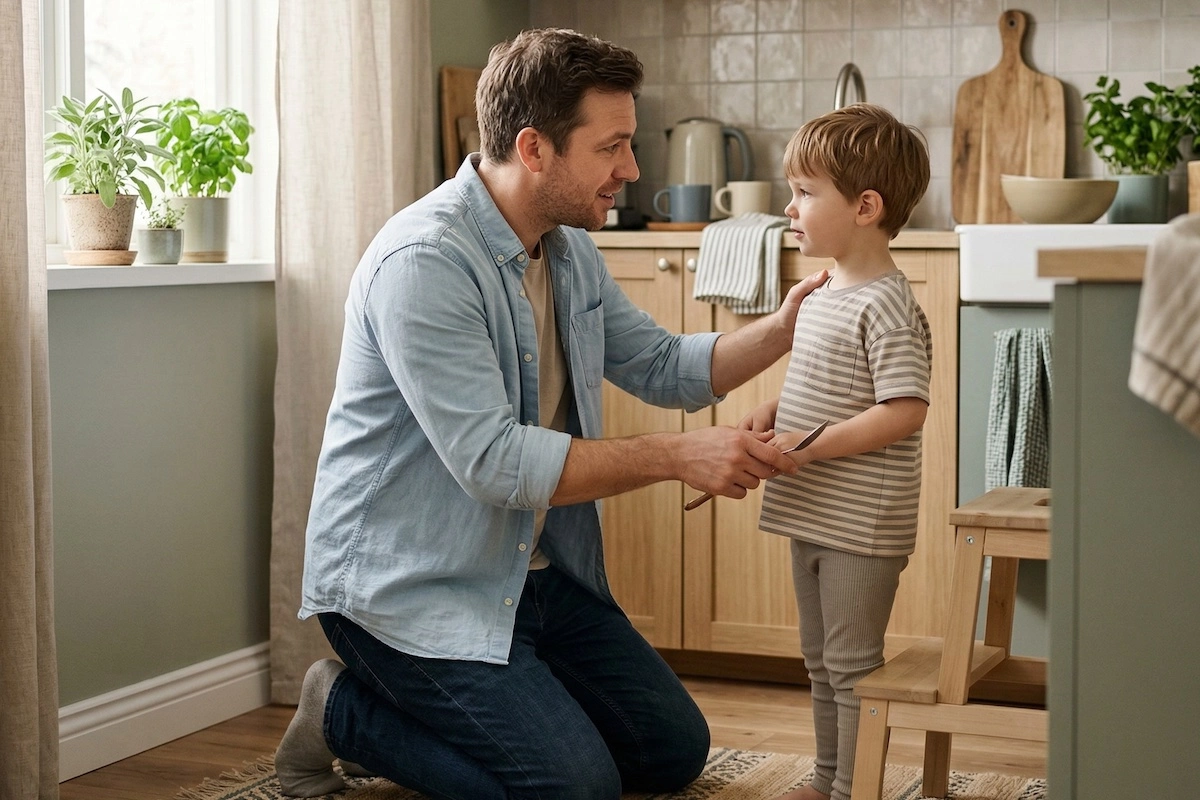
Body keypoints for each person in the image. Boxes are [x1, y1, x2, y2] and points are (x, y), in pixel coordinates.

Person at [274, 28, 827, 800]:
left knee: (670, 751)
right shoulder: (425, 262)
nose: (631, 170)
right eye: (613, 148)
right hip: (409, 590)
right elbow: (497, 464)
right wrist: (677, 456)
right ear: (534, 149)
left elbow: (665, 367)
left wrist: (786, 326)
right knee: (576, 790)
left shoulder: (566, 250)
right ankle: (342, 711)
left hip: (527, 574)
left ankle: (459, 719)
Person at [738, 104, 932, 800]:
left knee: (851, 665)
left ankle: (853, 788)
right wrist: (774, 414)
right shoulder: (820, 295)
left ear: (865, 207)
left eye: (805, 192)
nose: (789, 207)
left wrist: (808, 446)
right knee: (820, 662)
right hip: (813, 510)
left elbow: (903, 410)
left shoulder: (887, 302)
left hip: (861, 523)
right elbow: (824, 390)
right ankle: (827, 781)